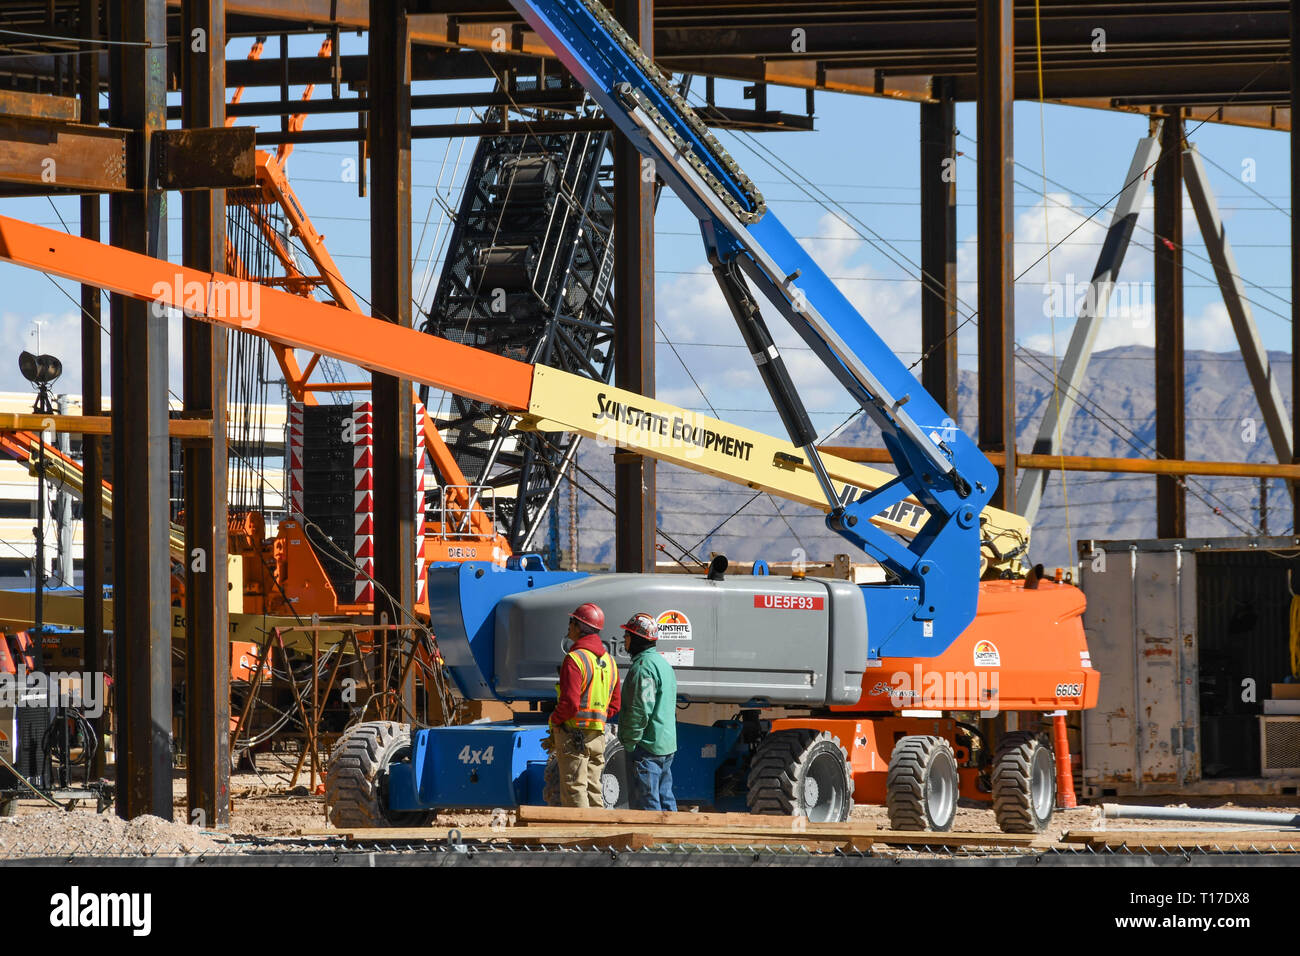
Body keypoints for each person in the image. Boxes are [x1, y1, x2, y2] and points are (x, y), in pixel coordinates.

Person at [548, 602, 621, 808]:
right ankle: (597, 838)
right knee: (593, 788)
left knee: (574, 789)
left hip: (573, 734)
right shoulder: (610, 662)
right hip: (597, 736)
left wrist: (554, 720)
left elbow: (570, 704)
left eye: (572, 622)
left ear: (580, 627)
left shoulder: (575, 659)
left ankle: (579, 839)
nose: (569, 626)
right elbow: (615, 705)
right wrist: (597, 717)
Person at [617, 612, 678, 811]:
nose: (624, 639)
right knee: (666, 801)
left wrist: (630, 741)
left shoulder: (643, 668)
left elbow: (640, 710)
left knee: (647, 807)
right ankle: (672, 841)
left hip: (647, 748)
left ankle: (651, 843)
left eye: (627, 635)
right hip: (665, 745)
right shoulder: (662, 664)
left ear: (636, 638)